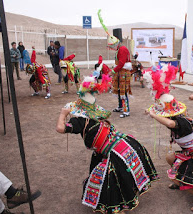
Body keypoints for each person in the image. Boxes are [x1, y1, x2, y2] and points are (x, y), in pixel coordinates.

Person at [56, 75, 158, 214]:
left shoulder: (79, 121)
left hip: (112, 152)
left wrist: (63, 114)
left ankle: (117, 206)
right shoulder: (98, 114)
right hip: (122, 141)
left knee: (107, 179)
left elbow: (60, 129)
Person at [144, 65, 193, 212]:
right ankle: (184, 183)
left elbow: (170, 123)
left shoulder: (180, 122)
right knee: (170, 158)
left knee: (175, 176)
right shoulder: (179, 118)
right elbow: (169, 122)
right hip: (192, 153)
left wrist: (153, 115)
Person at [98, 10, 132, 118]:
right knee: (118, 89)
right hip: (119, 72)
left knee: (123, 91)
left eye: (112, 46)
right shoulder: (119, 49)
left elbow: (121, 63)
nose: (111, 49)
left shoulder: (122, 49)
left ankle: (126, 111)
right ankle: (120, 107)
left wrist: (113, 70)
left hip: (123, 73)